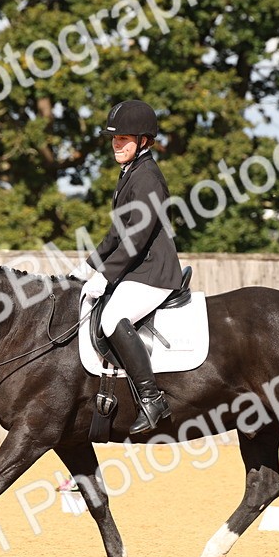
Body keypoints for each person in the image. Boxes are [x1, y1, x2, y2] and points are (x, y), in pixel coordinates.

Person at [72, 100, 184, 435]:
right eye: (114, 138)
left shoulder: (146, 176)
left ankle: (152, 399)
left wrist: (104, 276)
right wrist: (87, 266)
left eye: (125, 138)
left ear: (144, 141)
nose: (117, 144)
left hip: (153, 273)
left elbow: (137, 235)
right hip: (137, 270)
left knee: (110, 319)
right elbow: (116, 233)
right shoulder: (130, 174)